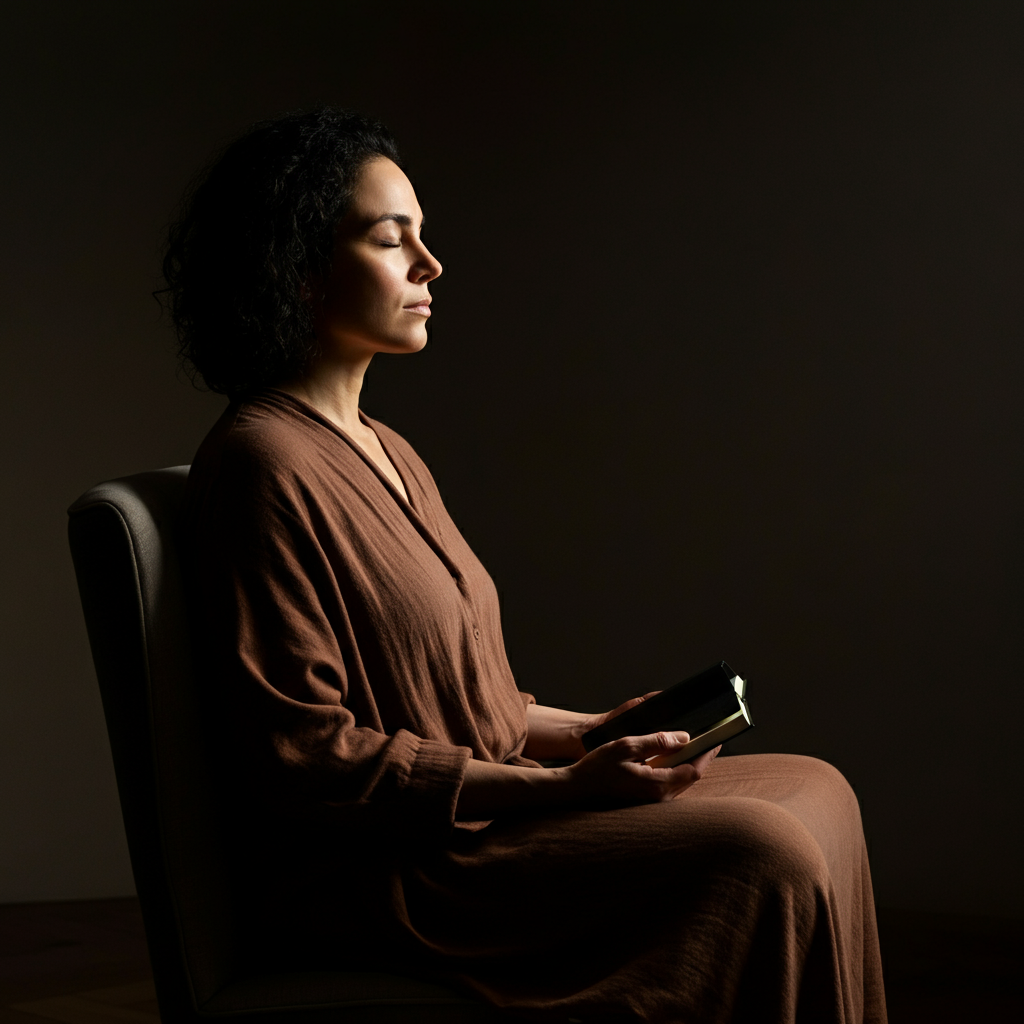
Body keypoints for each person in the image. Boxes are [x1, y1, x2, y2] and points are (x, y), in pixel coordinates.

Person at [166, 107, 887, 1024]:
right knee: (763, 852)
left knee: (819, 790)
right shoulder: (263, 465)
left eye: (423, 239)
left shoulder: (385, 447)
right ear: (298, 271)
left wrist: (594, 731)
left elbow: (473, 700)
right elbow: (304, 755)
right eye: (395, 242)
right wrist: (557, 789)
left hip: (492, 805)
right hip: (413, 869)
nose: (431, 266)